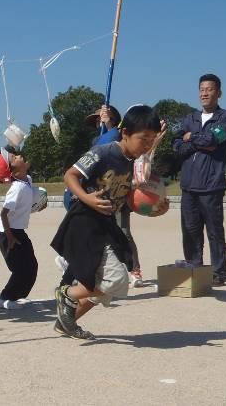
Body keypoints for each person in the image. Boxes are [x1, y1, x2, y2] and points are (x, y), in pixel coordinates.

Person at [52, 105, 168, 340]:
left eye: (152, 140)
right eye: (143, 139)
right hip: (84, 221)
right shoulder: (103, 152)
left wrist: (155, 211)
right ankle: (68, 293)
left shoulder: (131, 162)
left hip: (106, 225)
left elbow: (126, 198)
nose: (147, 145)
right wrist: (87, 198)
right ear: (124, 133)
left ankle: (66, 322)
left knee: (108, 288)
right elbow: (69, 175)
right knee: (116, 281)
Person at [172, 74, 226, 286]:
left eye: (209, 89)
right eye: (201, 89)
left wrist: (193, 138)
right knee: (189, 230)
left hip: (211, 185)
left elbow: (214, 139)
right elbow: (177, 145)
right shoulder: (190, 118)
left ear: (219, 93)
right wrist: (196, 141)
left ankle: (218, 272)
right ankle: (195, 266)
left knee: (215, 231)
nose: (204, 93)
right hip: (188, 186)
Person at [0, 147, 40, 309]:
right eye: (14, 158)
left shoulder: (27, 179)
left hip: (17, 230)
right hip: (7, 232)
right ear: (12, 170)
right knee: (20, 268)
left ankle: (17, 295)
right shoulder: (16, 188)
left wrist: (39, 205)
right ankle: (4, 298)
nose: (19, 155)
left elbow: (28, 204)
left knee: (32, 265)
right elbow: (4, 214)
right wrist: (10, 236)